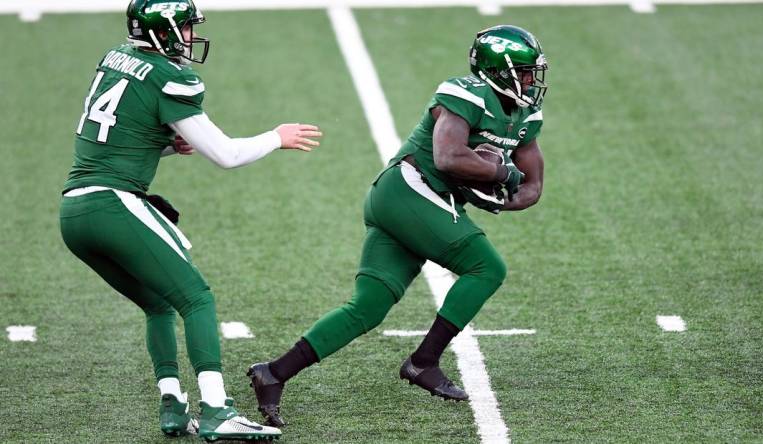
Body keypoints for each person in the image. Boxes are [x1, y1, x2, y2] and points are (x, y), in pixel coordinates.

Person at [248, 24, 546, 427]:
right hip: (409, 191)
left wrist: (500, 197)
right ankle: (424, 362)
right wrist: (498, 173)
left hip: (419, 203)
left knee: (367, 308)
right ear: (498, 70)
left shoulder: (526, 115)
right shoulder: (464, 95)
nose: (531, 81)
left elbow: (533, 186)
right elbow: (447, 157)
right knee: (487, 268)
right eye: (526, 72)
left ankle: (273, 373)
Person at [59, 0, 321, 440]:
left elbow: (112, 128)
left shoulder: (115, 58)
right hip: (112, 204)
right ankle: (217, 409)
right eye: (184, 27)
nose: (192, 36)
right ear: (164, 32)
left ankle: (173, 403)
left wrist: (160, 144)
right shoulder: (170, 76)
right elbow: (226, 155)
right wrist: (277, 137)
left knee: (158, 303)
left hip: (74, 213)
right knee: (197, 299)